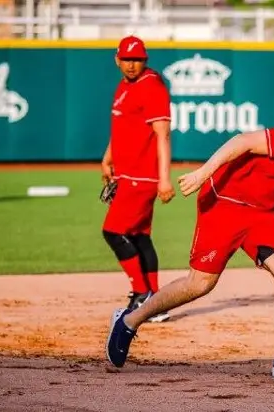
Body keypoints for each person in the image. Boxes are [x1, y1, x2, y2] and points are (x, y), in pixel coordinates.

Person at [105, 117, 274, 382]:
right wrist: (204, 173)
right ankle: (129, 321)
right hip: (223, 199)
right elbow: (244, 141)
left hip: (260, 214)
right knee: (200, 283)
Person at [101, 35, 176, 322]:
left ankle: (142, 292)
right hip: (126, 172)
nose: (132, 65)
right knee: (138, 235)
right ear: (117, 59)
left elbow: (163, 135)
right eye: (127, 59)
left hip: (141, 177)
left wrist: (164, 179)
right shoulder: (123, 86)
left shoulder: (152, 87)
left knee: (113, 231)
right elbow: (121, 127)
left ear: (145, 60)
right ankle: (155, 301)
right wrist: (108, 157)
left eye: (138, 59)